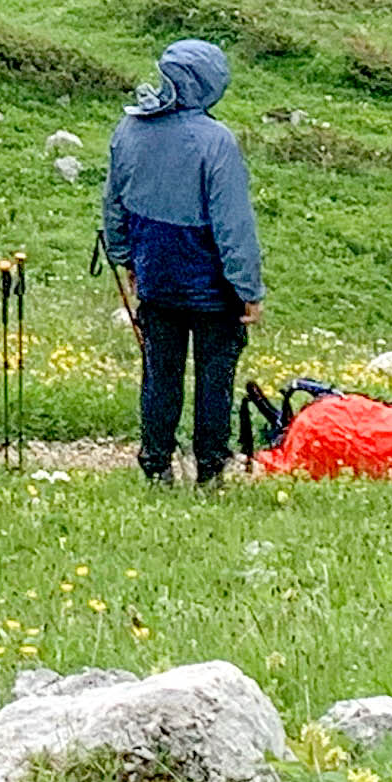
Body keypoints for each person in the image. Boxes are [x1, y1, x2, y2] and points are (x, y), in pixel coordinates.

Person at [101, 38, 266, 486]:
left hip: (155, 275)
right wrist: (248, 290)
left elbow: (113, 206)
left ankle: (156, 464)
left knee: (159, 374)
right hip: (212, 286)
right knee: (214, 378)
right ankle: (210, 469)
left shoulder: (129, 130)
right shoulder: (217, 142)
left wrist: (125, 258)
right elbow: (234, 227)